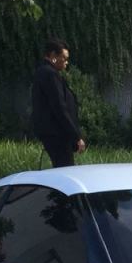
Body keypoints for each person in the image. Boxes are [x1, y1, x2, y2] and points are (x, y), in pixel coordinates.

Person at [31, 38, 84, 168]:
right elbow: (59, 107)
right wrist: (76, 136)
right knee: (65, 169)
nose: (66, 62)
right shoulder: (50, 74)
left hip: (52, 133)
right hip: (57, 134)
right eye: (63, 58)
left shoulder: (43, 72)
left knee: (62, 168)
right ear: (53, 56)